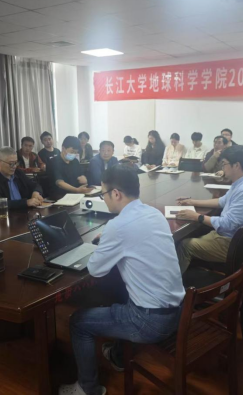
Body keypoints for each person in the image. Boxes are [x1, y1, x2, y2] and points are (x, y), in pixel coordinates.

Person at [59, 166, 185, 396]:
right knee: (121, 291)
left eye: (103, 194)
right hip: (178, 311)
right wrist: (111, 238)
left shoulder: (118, 226)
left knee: (78, 322)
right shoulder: (154, 213)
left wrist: (108, 239)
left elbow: (95, 270)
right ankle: (117, 356)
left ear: (116, 193)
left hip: (150, 322)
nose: (104, 199)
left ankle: (87, 389)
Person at [175, 146, 243, 273]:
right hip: (234, 237)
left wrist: (197, 216)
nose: (222, 168)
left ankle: (173, 284)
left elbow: (228, 224)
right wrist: (192, 201)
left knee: (185, 246)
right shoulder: (242, 182)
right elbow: (221, 201)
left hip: (233, 244)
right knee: (196, 232)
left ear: (236, 165)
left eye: (224, 164)